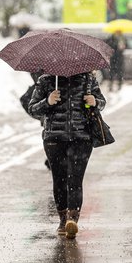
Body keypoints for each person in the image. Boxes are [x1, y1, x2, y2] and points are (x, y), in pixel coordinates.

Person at [28, 72, 106, 239]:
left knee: (75, 179)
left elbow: (102, 102)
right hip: (54, 139)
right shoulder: (46, 80)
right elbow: (32, 109)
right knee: (59, 179)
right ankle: (63, 220)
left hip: (81, 138)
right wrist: (47, 101)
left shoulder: (88, 80)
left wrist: (94, 101)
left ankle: (72, 220)